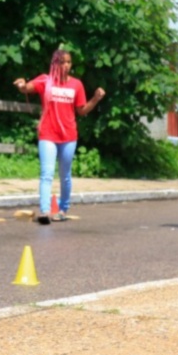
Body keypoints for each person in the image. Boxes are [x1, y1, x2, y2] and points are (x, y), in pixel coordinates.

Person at [14, 49, 105, 224]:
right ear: (55, 64)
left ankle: (63, 209)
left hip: (69, 136)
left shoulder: (76, 85)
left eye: (69, 62)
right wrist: (21, 85)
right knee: (46, 173)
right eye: (62, 62)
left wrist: (95, 99)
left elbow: (82, 110)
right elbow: (27, 87)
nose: (66, 65)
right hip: (47, 134)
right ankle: (45, 211)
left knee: (65, 175)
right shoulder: (45, 81)